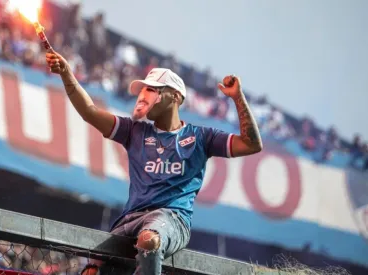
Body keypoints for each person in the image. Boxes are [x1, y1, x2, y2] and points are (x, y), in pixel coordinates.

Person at [45, 51, 263, 275]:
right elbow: (89, 112)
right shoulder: (134, 130)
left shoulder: (201, 137)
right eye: (143, 89)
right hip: (129, 220)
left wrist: (238, 98)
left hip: (171, 218)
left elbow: (251, 144)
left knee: (149, 240)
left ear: (175, 96)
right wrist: (66, 74)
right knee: (91, 270)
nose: (143, 95)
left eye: (151, 89)